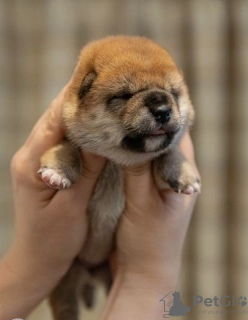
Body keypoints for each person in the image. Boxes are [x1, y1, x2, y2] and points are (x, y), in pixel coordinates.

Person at [0, 86, 200, 320]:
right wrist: (148, 280)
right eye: (125, 95)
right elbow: (63, 150)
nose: (163, 108)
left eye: (173, 95)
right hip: (71, 263)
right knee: (65, 307)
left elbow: (172, 156)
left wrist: (26, 270)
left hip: (113, 256)